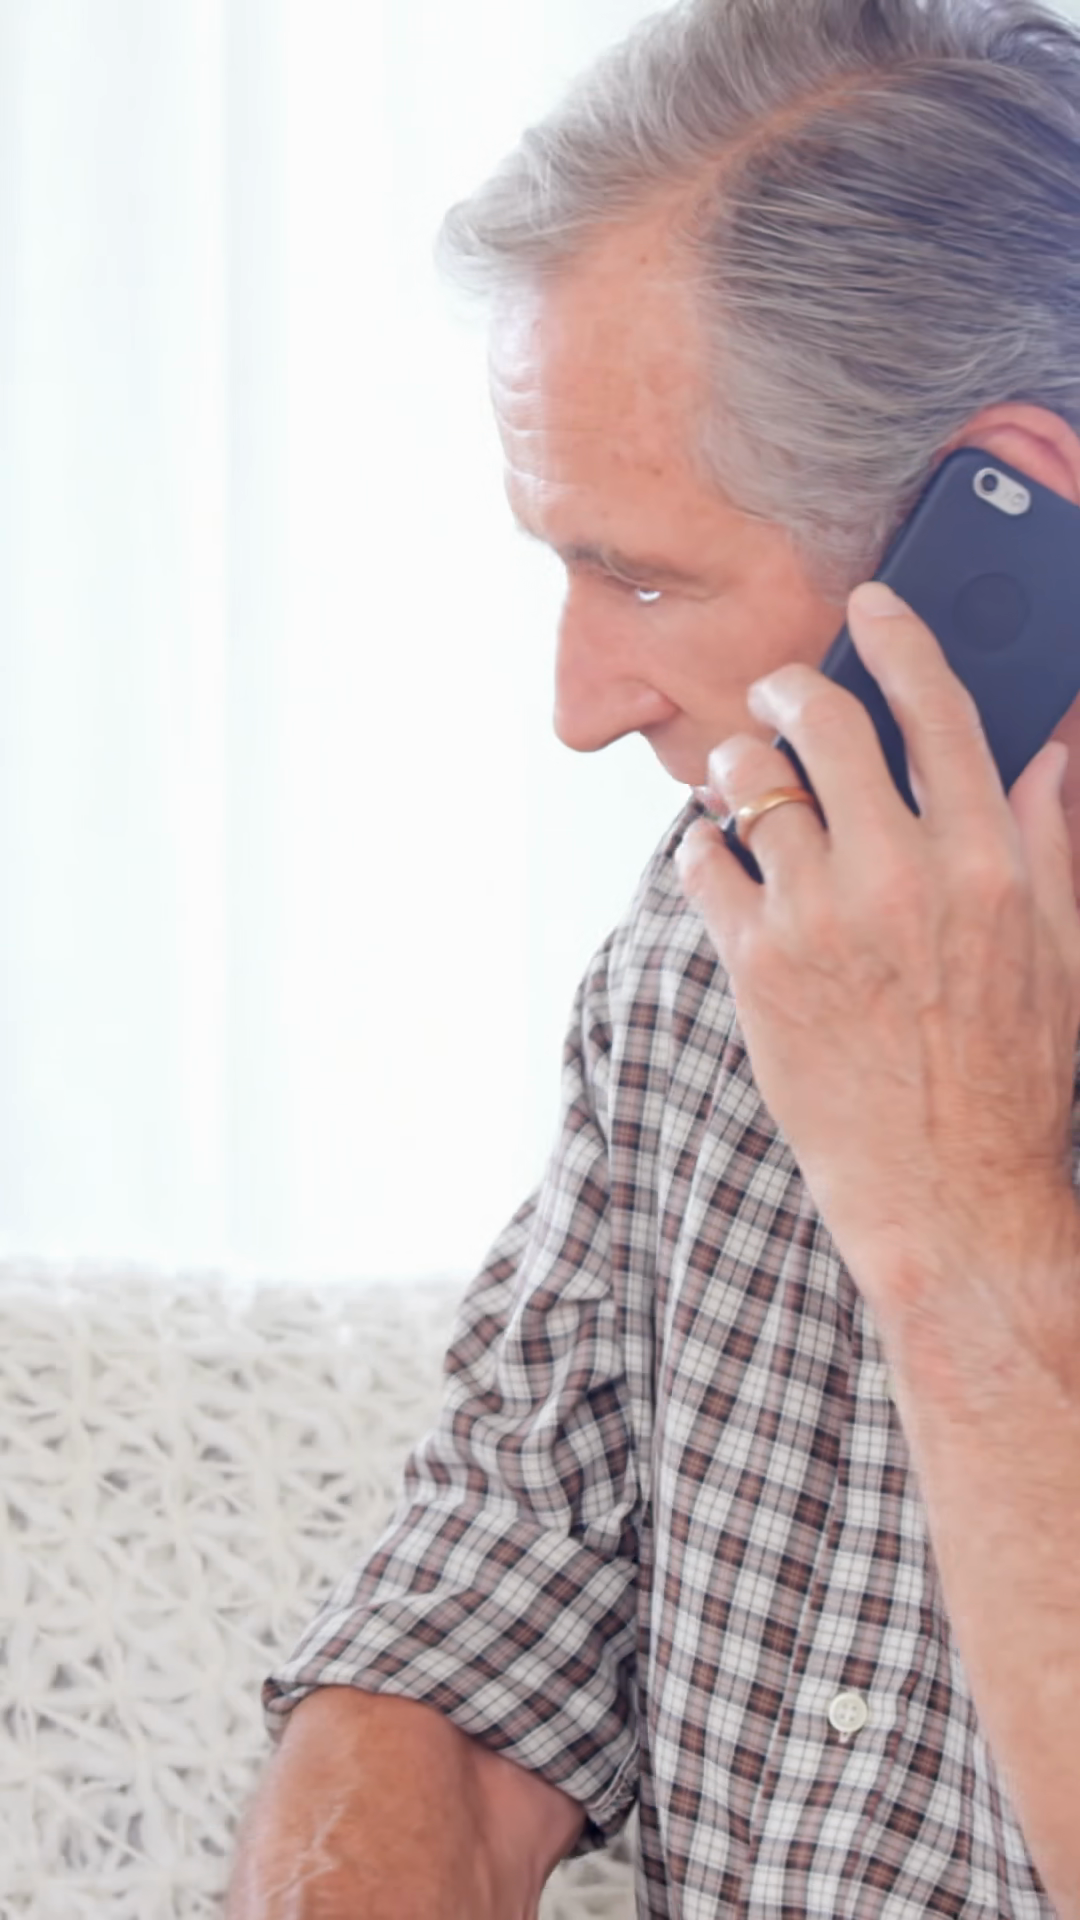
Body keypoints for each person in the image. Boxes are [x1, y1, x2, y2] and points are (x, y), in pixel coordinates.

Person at [226, 1, 1080, 1913]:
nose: (583, 703)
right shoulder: (725, 923)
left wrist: (956, 1204)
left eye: (644, 574)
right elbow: (480, 1610)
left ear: (1008, 516)